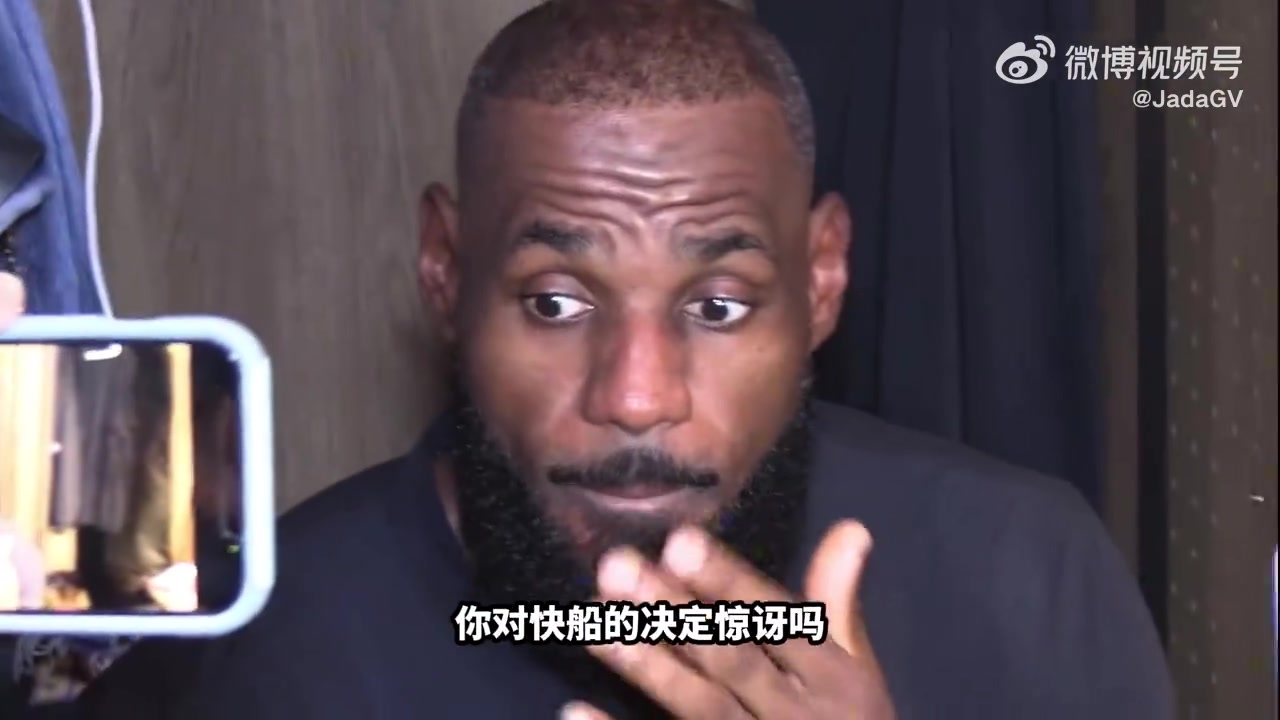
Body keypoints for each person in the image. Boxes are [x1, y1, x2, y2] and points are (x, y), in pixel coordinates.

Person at [8, 1, 1173, 717]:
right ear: (444, 270)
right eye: (556, 302)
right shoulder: (254, 655)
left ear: (821, 279)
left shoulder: (1029, 579)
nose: (635, 396)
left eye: (717, 305)